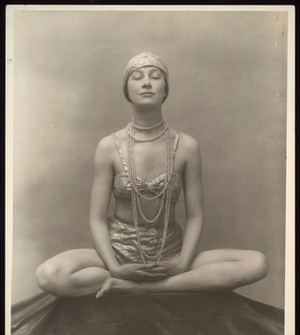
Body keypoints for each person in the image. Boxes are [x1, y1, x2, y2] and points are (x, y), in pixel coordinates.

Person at [36, 52, 268, 299]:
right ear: (127, 90)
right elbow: (96, 218)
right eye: (137, 77)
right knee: (49, 275)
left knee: (256, 263)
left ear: (165, 90)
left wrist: (181, 264)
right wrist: (115, 267)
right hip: (117, 251)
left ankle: (145, 287)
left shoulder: (187, 145)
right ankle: (117, 278)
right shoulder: (108, 146)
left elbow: (196, 216)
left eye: (155, 77)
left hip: (171, 253)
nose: (146, 82)